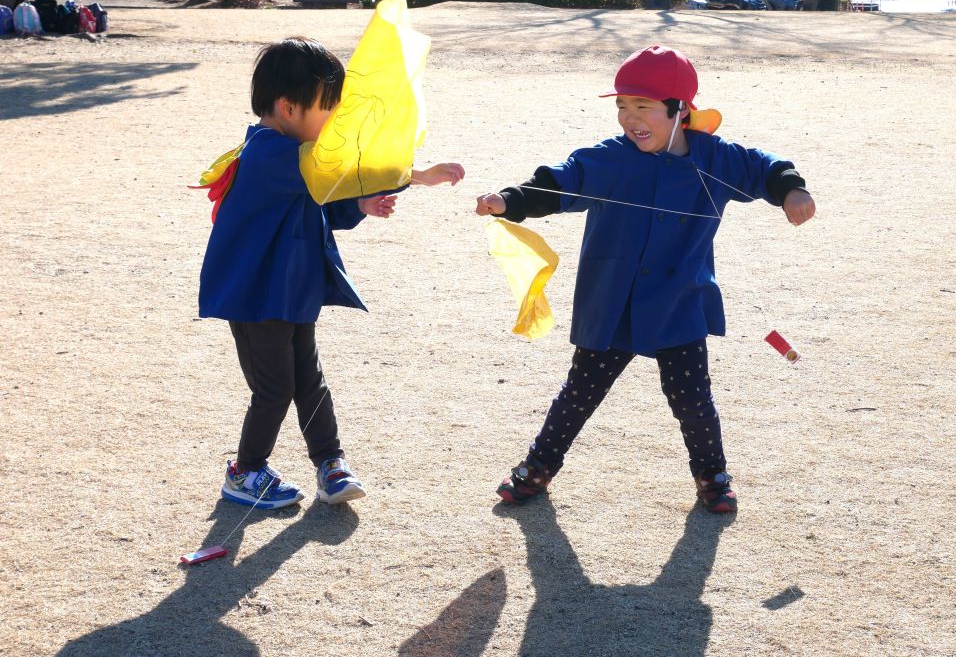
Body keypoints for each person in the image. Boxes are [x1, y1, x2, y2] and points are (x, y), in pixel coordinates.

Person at [476, 46, 815, 513]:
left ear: (680, 111)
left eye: (643, 107)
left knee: (692, 399)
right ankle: (538, 466)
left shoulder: (716, 158)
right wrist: (510, 200)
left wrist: (792, 191)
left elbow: (765, 166)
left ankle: (713, 477)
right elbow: (562, 181)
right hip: (613, 301)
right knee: (580, 392)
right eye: (622, 106)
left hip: (679, 303)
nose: (629, 118)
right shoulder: (609, 159)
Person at [200, 36, 464, 509]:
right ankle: (245, 472)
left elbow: (327, 198)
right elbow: (337, 170)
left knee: (310, 380)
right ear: (287, 106)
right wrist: (417, 173)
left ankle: (330, 463)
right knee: (275, 388)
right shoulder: (267, 153)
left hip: (292, 291)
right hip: (257, 296)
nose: (335, 124)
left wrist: (360, 203)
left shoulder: (296, 156)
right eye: (328, 110)